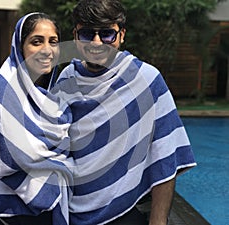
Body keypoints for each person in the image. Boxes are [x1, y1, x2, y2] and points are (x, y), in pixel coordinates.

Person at [49, 0, 197, 224]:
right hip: (71, 211)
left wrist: (158, 221)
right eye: (87, 34)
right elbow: (49, 138)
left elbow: (165, 155)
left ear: (122, 35)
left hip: (124, 214)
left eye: (107, 34)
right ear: (75, 36)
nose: (97, 43)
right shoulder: (66, 79)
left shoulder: (146, 80)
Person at [0, 12, 73, 225]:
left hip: (38, 216)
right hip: (1, 215)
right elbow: (20, 157)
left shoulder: (53, 96)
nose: (46, 50)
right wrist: (65, 164)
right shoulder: (4, 89)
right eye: (36, 42)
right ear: (20, 46)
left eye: (53, 42)